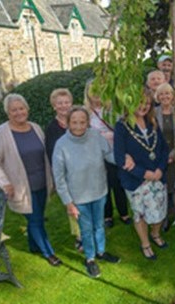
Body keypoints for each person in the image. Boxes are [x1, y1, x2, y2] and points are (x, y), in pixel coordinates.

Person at [0, 94, 61, 267]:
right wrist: (4, 183)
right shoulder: (1, 133)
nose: (18, 112)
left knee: (36, 217)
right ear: (7, 113)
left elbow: (45, 154)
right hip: (20, 187)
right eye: (14, 110)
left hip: (41, 183)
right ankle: (49, 252)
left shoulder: (36, 128)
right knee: (35, 220)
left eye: (21, 108)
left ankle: (33, 246)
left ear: (27, 109)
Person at [53, 106, 120, 278]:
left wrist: (124, 160)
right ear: (68, 123)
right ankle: (90, 259)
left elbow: (109, 154)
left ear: (88, 122)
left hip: (99, 191)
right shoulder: (61, 145)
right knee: (87, 229)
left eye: (82, 122)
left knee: (99, 225)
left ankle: (101, 251)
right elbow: (59, 178)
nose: (79, 126)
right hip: (79, 197)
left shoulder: (95, 136)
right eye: (74, 122)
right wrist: (68, 202)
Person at [114, 93, 169, 260]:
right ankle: (145, 243)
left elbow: (163, 148)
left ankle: (155, 234)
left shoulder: (152, 122)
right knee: (140, 214)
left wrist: (159, 169)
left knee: (159, 209)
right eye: (139, 102)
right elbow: (119, 157)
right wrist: (144, 173)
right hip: (136, 179)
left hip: (157, 175)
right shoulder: (122, 126)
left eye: (147, 103)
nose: (143, 106)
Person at [84, 80, 131, 228]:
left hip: (113, 152)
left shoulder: (112, 109)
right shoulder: (86, 112)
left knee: (117, 183)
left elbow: (122, 129)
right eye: (93, 91)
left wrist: (110, 134)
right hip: (95, 155)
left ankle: (124, 212)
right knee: (102, 185)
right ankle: (107, 215)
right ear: (88, 93)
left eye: (99, 89)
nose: (96, 94)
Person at [44, 88, 82, 251]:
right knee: (73, 207)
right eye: (59, 103)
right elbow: (53, 154)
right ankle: (80, 237)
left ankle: (91, 231)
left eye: (66, 102)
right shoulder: (52, 128)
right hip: (67, 174)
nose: (63, 106)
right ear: (54, 105)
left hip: (85, 171)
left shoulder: (79, 121)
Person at [154, 83, 175, 231]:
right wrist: (163, 156)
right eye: (161, 94)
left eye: (168, 93)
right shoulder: (154, 112)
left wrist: (174, 154)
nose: (165, 97)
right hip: (159, 156)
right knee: (162, 188)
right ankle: (163, 219)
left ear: (173, 95)